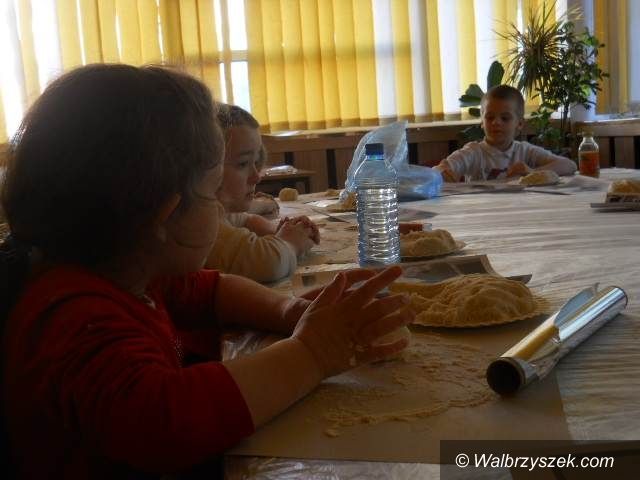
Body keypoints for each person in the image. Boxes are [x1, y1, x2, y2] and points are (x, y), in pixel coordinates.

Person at [0, 64, 413, 479]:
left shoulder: (129, 271)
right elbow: (165, 421)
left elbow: (212, 290)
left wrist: (288, 312)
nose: (222, 210)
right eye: (213, 192)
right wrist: (312, 353)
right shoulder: (72, 319)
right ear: (166, 215)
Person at [206, 104, 319, 283]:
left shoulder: (219, 210)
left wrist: (280, 231)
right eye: (243, 163)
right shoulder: (200, 222)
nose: (256, 177)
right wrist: (290, 243)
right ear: (205, 168)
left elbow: (244, 219)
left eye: (256, 162)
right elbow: (268, 263)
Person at [434, 85, 577, 182]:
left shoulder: (525, 151)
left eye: (505, 118)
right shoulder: (473, 152)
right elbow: (437, 170)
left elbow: (569, 165)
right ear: (482, 122)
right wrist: (442, 173)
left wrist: (532, 172)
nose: (496, 122)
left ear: (519, 124)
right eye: (490, 117)